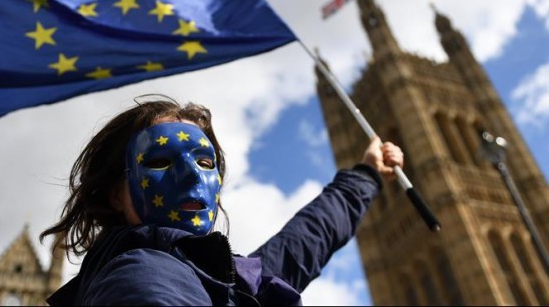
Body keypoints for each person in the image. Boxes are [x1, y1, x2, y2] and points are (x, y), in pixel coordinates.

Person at [40, 95, 404, 306]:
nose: (192, 176)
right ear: (115, 194)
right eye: (160, 161)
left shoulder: (222, 276)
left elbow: (303, 242)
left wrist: (367, 174)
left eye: (204, 161)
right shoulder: (141, 276)